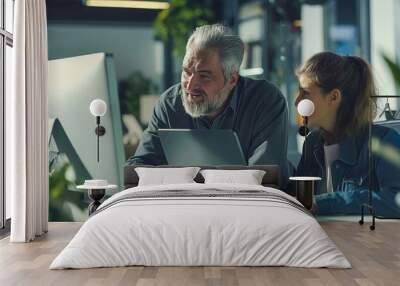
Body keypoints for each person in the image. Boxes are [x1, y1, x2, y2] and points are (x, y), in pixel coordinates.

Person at [127, 24, 289, 182]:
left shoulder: (266, 101)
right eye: (186, 72)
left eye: (204, 76)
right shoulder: (169, 104)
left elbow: (264, 178)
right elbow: (139, 169)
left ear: (232, 79)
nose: (190, 86)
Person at [295, 51, 400, 217]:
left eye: (305, 93)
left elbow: (396, 200)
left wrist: (324, 203)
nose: (297, 101)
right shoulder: (313, 143)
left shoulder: (384, 141)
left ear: (333, 97)